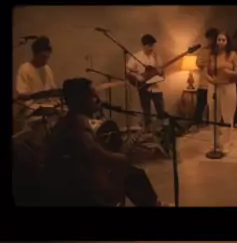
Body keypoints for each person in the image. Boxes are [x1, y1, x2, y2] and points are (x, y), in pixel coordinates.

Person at [42, 78, 170, 207]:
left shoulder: (68, 120)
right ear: (81, 100)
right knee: (132, 175)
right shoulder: (77, 122)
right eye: (93, 96)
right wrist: (121, 158)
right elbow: (95, 152)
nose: (98, 100)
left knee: (132, 173)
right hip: (78, 190)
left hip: (73, 182)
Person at [205, 32, 237, 152]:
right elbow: (205, 71)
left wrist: (229, 72)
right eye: (219, 40)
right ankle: (215, 143)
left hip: (228, 86)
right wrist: (211, 80)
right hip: (214, 87)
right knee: (213, 115)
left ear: (227, 42)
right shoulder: (211, 55)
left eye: (223, 40)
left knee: (228, 116)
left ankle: (227, 142)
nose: (221, 42)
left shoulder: (233, 54)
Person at [126, 34, 165, 130]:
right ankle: (148, 130)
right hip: (143, 87)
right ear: (144, 45)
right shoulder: (136, 56)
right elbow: (128, 71)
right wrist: (138, 77)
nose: (151, 48)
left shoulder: (156, 57)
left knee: (160, 109)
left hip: (156, 87)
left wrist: (161, 72)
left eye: (152, 46)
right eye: (149, 46)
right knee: (146, 111)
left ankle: (163, 129)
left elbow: (161, 71)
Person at [190, 27, 219, 132]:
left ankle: (214, 125)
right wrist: (205, 64)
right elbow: (199, 63)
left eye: (212, 38)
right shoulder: (203, 50)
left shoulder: (219, 51)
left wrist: (209, 64)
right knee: (200, 105)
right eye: (209, 38)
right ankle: (195, 124)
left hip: (216, 83)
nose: (210, 41)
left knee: (215, 106)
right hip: (203, 83)